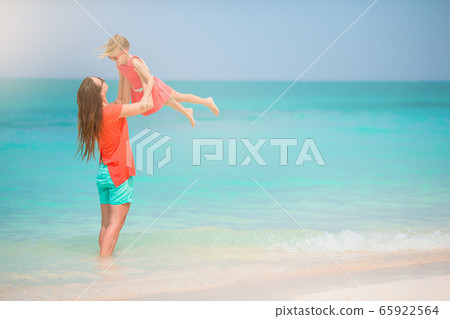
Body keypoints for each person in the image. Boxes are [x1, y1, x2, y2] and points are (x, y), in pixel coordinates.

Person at [76, 76, 153, 257]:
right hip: (118, 174)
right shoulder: (111, 112)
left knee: (106, 224)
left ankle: (101, 260)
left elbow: (122, 102)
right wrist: (148, 83)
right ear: (101, 92)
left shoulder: (97, 114)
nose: (103, 79)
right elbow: (146, 105)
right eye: (101, 80)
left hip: (104, 174)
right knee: (116, 223)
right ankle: (103, 264)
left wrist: (123, 75)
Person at [98, 34, 219, 127]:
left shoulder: (134, 62)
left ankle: (206, 101)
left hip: (152, 86)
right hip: (139, 91)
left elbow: (149, 79)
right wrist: (119, 97)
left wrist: (145, 97)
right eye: (110, 58)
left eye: (115, 57)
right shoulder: (119, 64)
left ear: (125, 52)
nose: (114, 60)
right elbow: (122, 80)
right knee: (168, 101)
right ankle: (188, 111)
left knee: (179, 97)